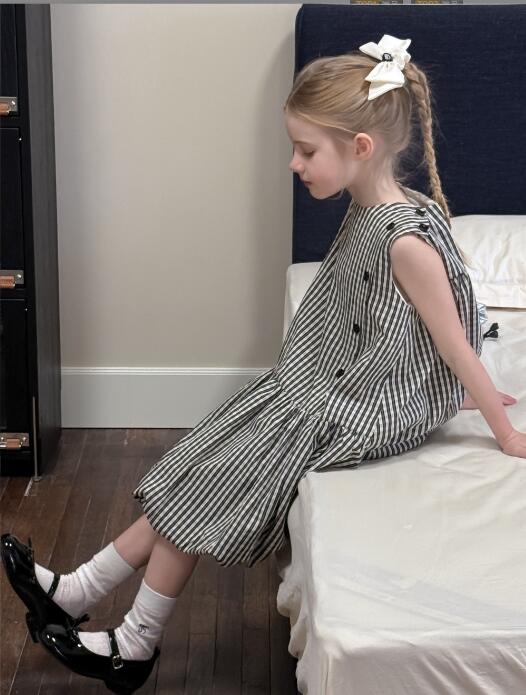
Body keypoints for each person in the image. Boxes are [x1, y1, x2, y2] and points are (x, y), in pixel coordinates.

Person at [2, 33, 525, 694]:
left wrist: (500, 427)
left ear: (361, 148)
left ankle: (132, 641)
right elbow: (405, 333)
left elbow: (453, 342)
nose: (294, 163)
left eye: (306, 150)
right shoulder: (368, 211)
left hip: (363, 408)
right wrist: (449, 392)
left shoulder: (405, 242)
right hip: (332, 384)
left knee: (218, 475)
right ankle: (80, 592)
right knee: (205, 458)